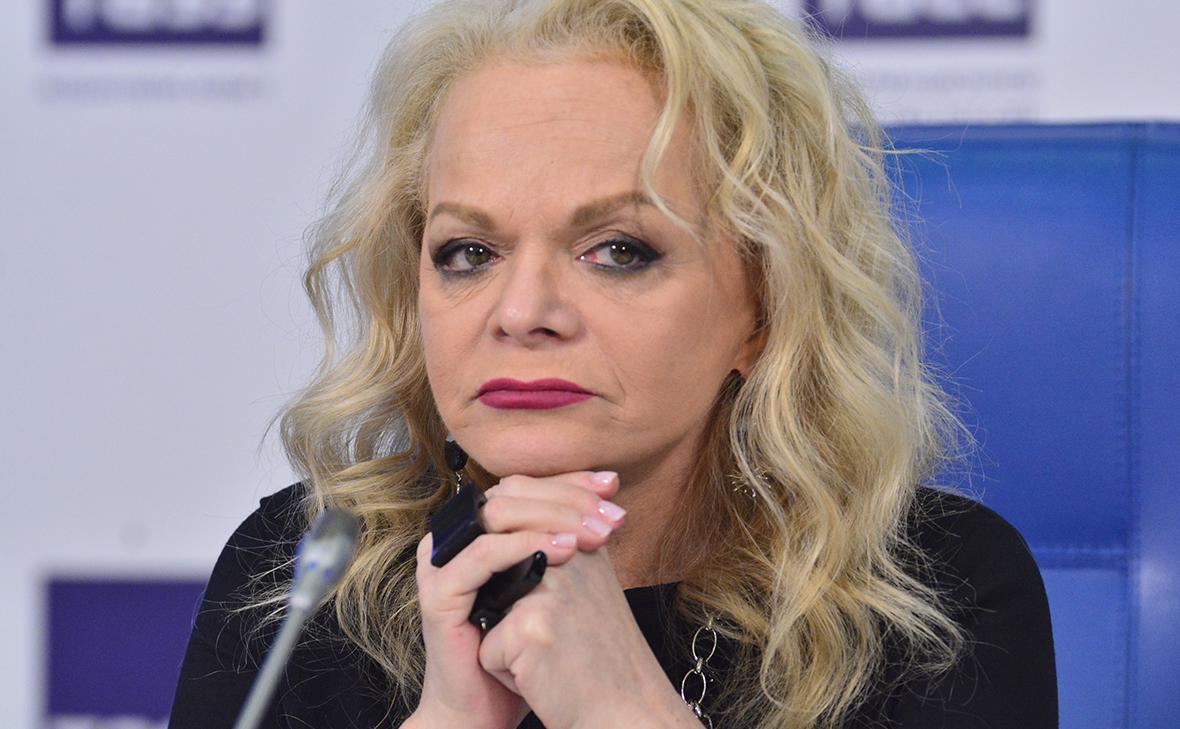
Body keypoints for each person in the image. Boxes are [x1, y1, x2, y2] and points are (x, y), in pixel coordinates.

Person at [169, 1, 1057, 727]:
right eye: (469, 252)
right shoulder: (307, 572)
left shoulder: (937, 593)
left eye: (618, 250)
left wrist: (624, 711)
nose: (522, 312)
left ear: (762, 305)